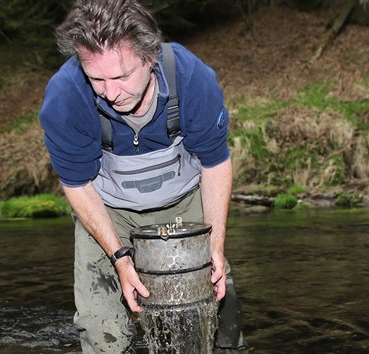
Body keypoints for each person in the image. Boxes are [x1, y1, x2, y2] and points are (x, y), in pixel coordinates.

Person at [39, 0, 249, 352]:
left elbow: (214, 164)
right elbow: (77, 185)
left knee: (218, 306)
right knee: (100, 328)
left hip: (185, 204)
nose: (109, 92)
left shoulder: (191, 78)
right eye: (97, 79)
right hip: (107, 211)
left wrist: (215, 245)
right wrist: (120, 257)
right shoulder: (65, 97)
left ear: (149, 58)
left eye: (121, 76)